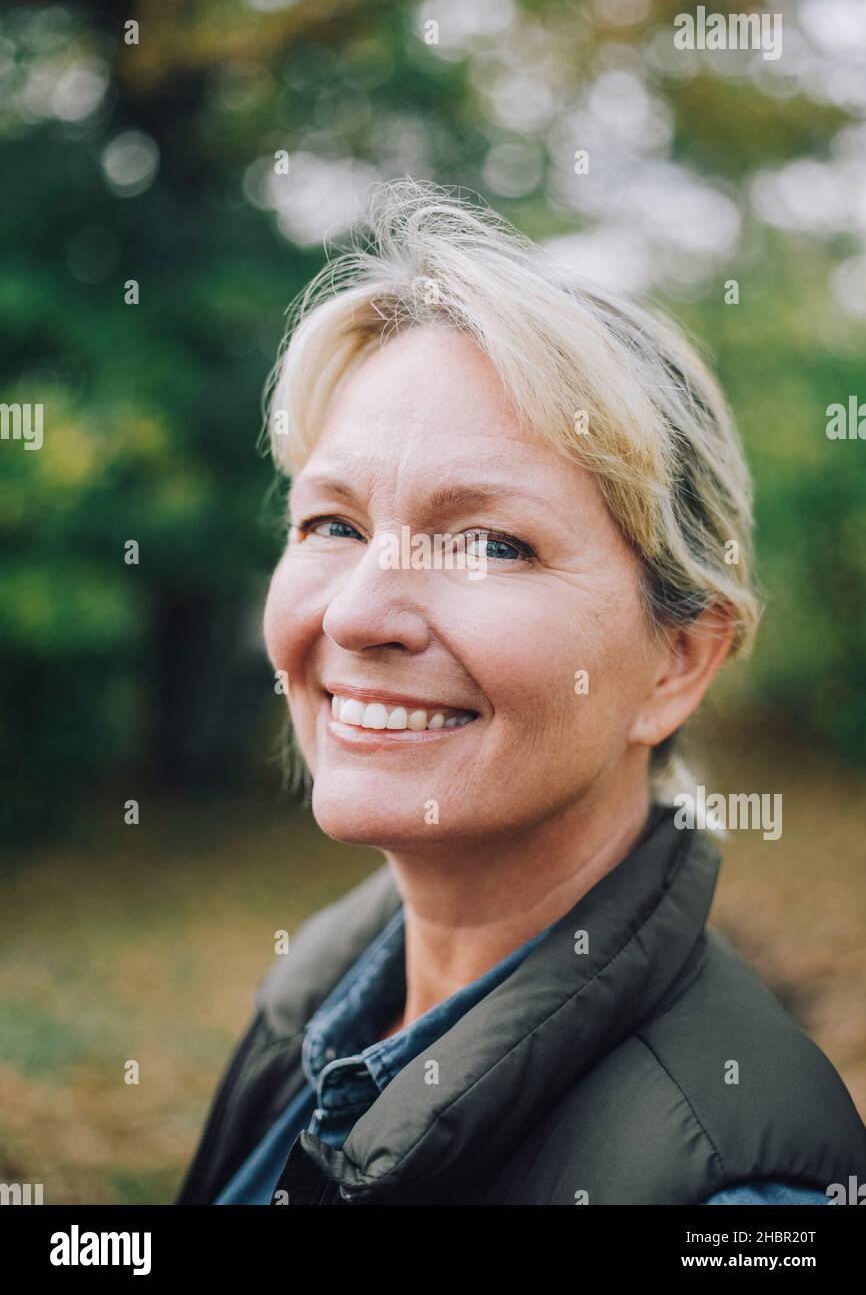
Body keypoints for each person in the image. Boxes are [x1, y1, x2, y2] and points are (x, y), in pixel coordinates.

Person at [175, 181, 866, 1205]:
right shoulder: (320, 995)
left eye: (489, 543)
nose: (359, 615)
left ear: (675, 664)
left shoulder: (734, 1198)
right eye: (332, 523)